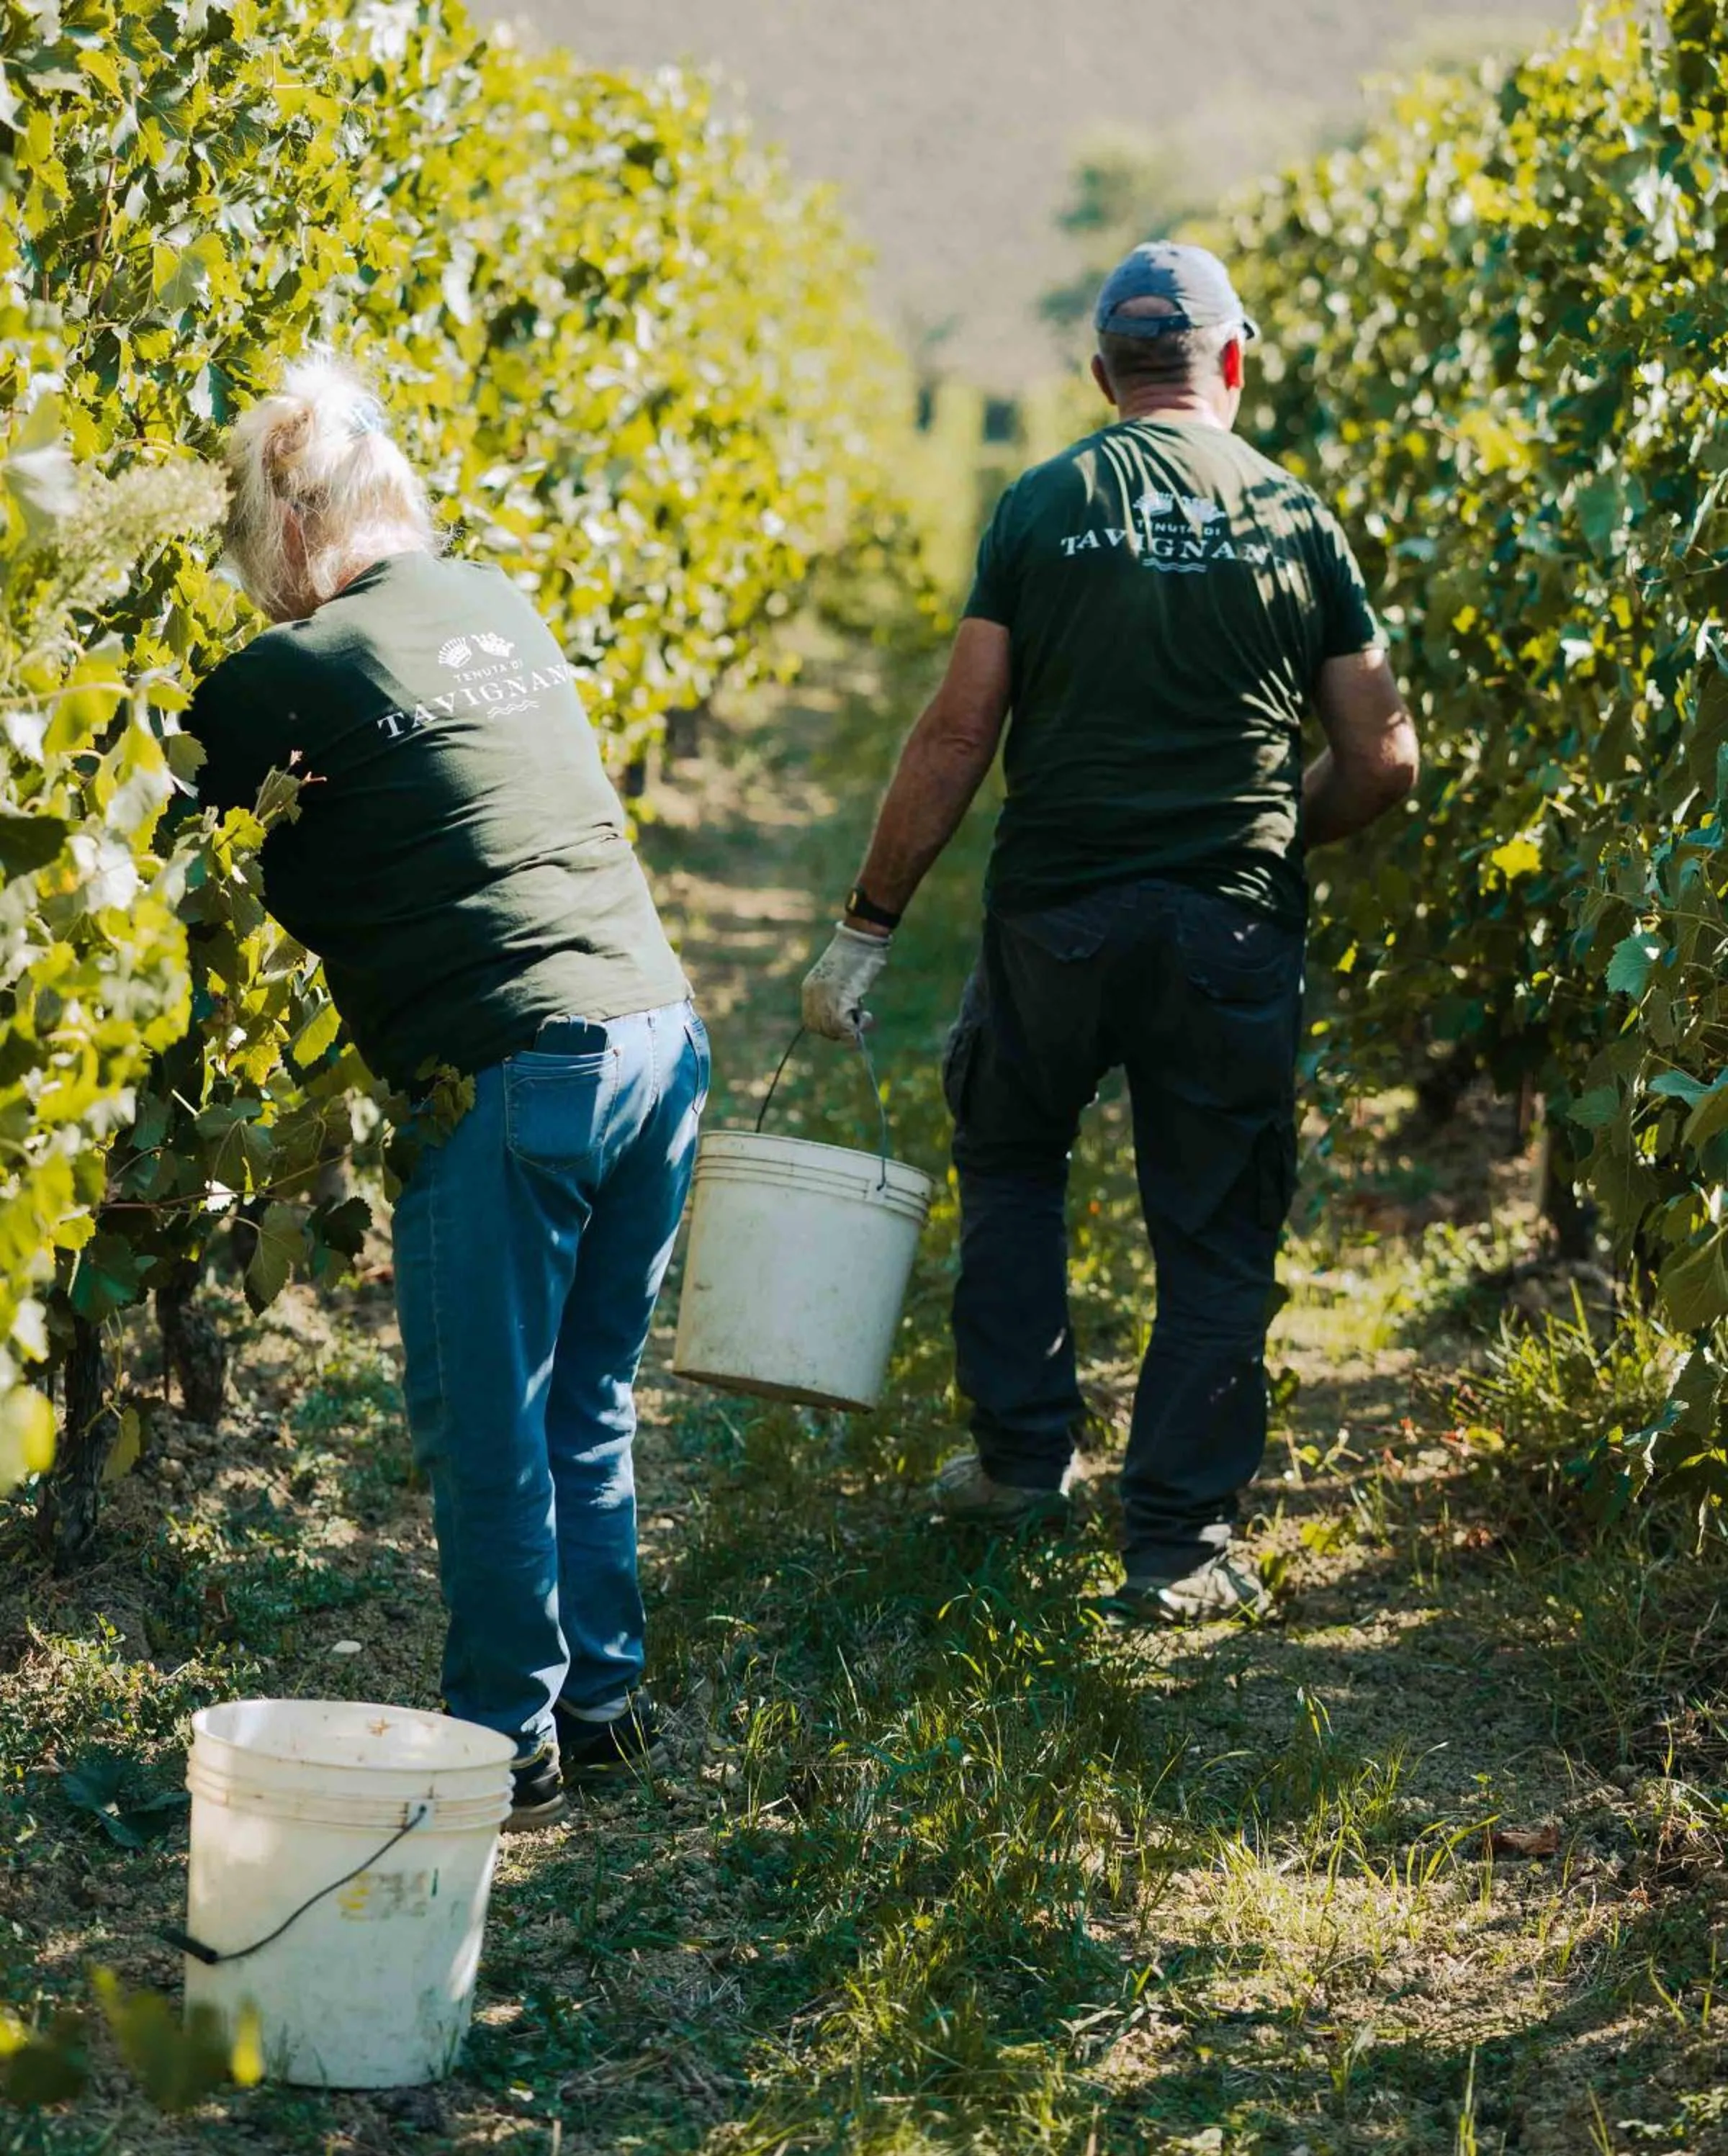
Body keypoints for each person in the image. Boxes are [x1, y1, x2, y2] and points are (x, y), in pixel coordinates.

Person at [801, 243, 1419, 1627]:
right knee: (1215, 1218)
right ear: (1233, 364)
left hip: (1057, 920)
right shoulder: (1299, 518)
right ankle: (1179, 1546)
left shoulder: (1044, 502)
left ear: (1102, 375)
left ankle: (1023, 1465)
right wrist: (1269, 835)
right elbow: (1383, 758)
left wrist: (869, 924)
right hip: (1228, 928)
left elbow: (960, 731)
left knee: (1015, 1155)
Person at [190, 355, 706, 1826]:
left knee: (487, 1423)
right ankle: (600, 1704)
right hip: (659, 1038)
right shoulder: (498, 602)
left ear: (293, 527)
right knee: (585, 1398)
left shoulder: (279, 677)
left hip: (518, 1066)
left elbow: (180, 852)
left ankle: (503, 1740)